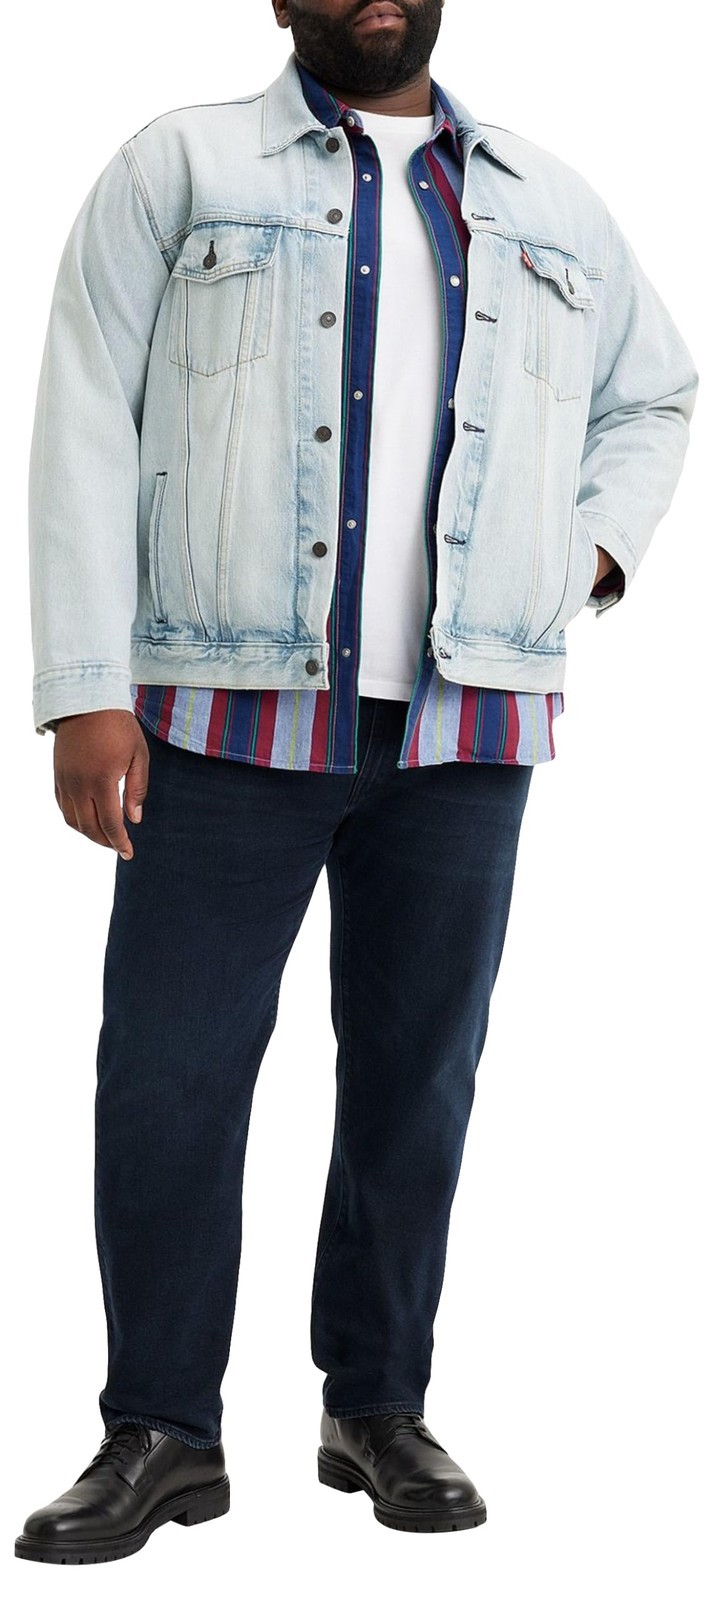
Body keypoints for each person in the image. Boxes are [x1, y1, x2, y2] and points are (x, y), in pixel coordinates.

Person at [17, 0, 697, 1564]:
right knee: (169, 1080)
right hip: (219, 717)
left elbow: (653, 393)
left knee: (415, 1078)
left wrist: (584, 557)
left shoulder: (545, 197)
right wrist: (86, 691)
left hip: (464, 729)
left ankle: (376, 1406)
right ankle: (161, 1431)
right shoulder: (180, 167)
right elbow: (85, 420)